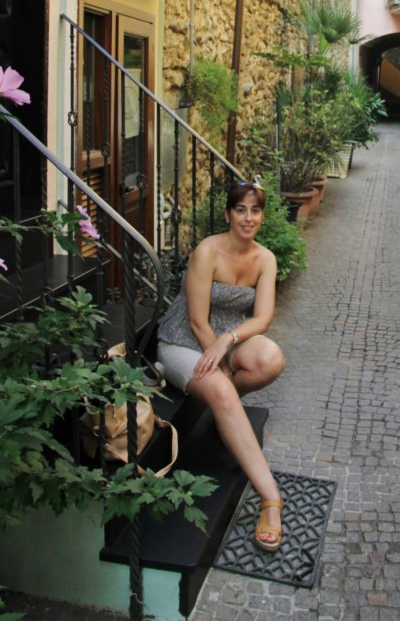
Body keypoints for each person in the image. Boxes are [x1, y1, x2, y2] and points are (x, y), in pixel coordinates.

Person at [156, 181, 285, 551]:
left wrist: (227, 343)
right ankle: (271, 498)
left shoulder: (265, 259)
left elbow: (261, 319)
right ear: (228, 214)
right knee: (220, 389)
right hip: (182, 341)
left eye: (255, 211)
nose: (248, 218)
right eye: (241, 210)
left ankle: (224, 409)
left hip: (225, 339)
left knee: (271, 358)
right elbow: (197, 322)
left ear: (262, 216)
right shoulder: (207, 251)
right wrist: (219, 364)